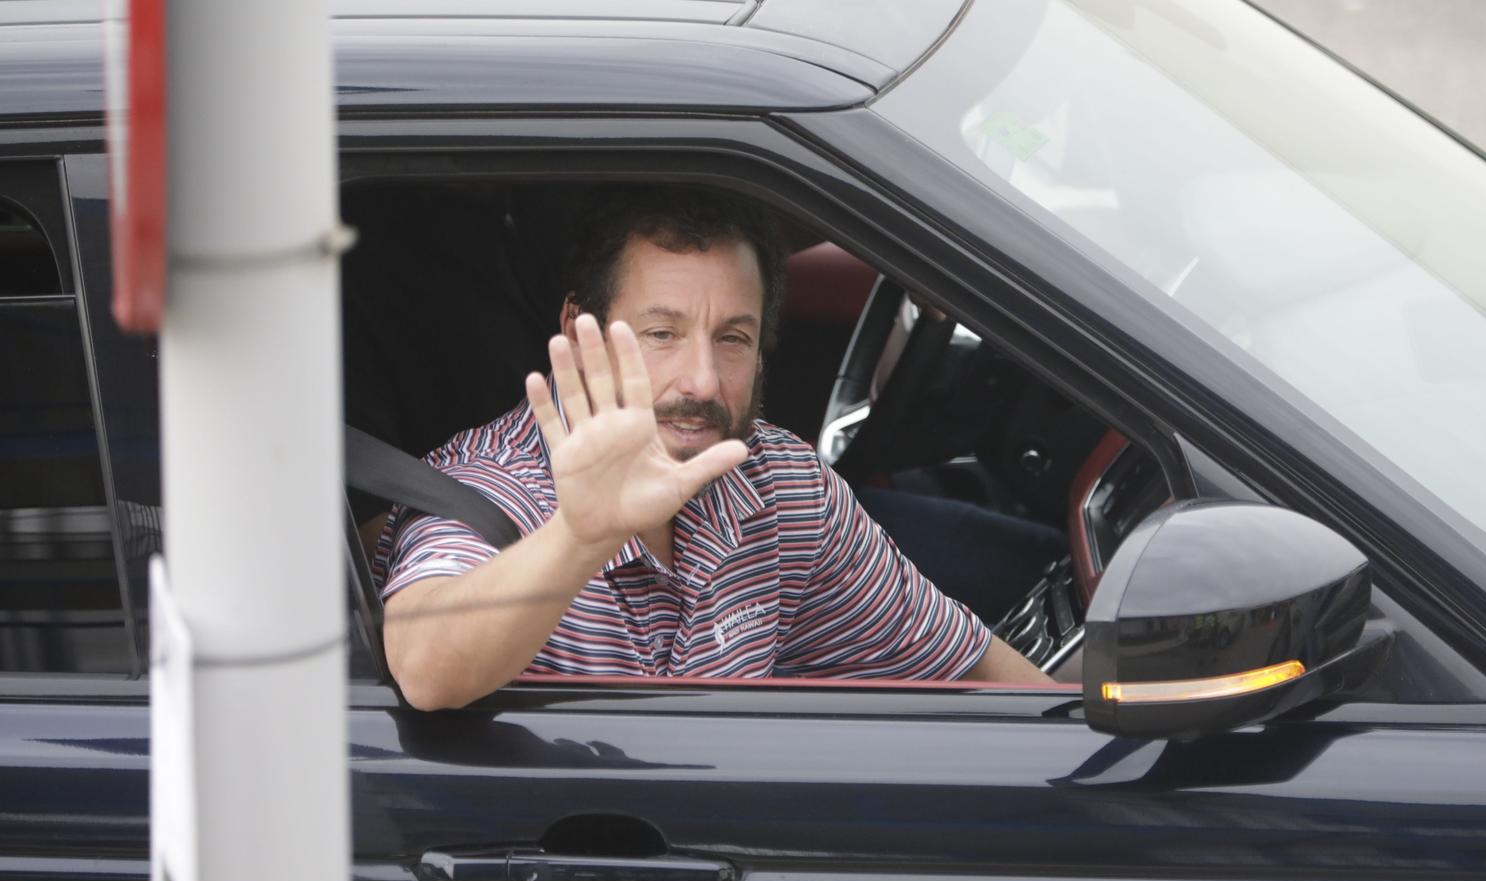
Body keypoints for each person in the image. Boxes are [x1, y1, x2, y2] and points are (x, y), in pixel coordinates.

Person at [376, 188, 1050, 710]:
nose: (701, 382)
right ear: (577, 327)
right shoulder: (491, 486)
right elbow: (426, 668)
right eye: (662, 333)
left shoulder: (778, 483)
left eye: (732, 338)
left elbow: (973, 667)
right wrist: (580, 537)